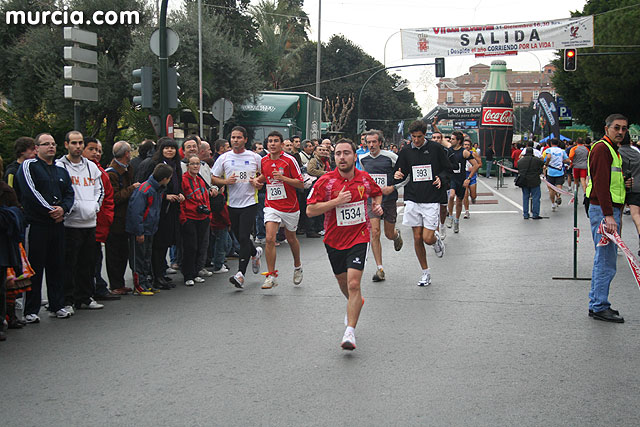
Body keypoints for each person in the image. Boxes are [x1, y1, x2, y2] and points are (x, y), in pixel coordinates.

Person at [307, 138, 383, 350]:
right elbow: (310, 210)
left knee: (354, 284)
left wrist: (376, 206)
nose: (342, 157)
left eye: (346, 153)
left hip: (359, 236)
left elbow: (377, 193)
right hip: (334, 239)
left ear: (354, 156)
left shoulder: (364, 179)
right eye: (338, 153)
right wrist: (336, 202)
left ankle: (349, 332)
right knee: (343, 283)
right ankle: (355, 302)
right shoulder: (325, 181)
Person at [16, 133, 75, 321]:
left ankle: (57, 305)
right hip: (37, 224)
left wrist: (63, 209)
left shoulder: (61, 170)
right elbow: (30, 192)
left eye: (53, 144)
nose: (50, 147)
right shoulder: (29, 166)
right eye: (45, 144)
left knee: (57, 265)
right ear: (36, 148)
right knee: (35, 266)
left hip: (57, 225)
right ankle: (31, 310)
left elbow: (69, 193)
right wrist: (50, 210)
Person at [393, 121, 451, 286]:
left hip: (431, 198)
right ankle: (425, 272)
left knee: (427, 238)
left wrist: (441, 178)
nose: (416, 140)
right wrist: (397, 175)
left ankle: (435, 240)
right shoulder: (405, 151)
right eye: (414, 137)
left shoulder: (436, 149)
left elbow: (448, 169)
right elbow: (399, 171)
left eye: (419, 137)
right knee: (417, 237)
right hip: (412, 197)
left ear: (425, 135)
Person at [586, 114, 629, 323]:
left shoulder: (611, 149)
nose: (620, 132)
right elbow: (601, 183)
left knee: (604, 259)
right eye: (616, 128)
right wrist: (609, 214)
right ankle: (599, 305)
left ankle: (598, 303)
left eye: (624, 128)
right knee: (605, 260)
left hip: (607, 209)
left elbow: (609, 181)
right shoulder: (603, 149)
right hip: (605, 211)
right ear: (607, 128)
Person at [56, 131, 105, 312]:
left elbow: (99, 190)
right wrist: (71, 208)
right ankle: (67, 300)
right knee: (69, 264)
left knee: (88, 262)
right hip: (70, 224)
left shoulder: (91, 167)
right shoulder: (60, 166)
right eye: (74, 143)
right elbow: (60, 191)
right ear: (66, 144)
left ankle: (85, 296)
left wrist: (94, 207)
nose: (78, 146)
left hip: (90, 222)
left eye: (80, 143)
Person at [211, 126, 264, 288]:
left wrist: (258, 182)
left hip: (250, 202)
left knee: (243, 237)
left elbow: (265, 174)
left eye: (239, 137)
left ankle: (240, 274)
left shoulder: (255, 157)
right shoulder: (224, 158)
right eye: (233, 137)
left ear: (245, 140)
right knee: (240, 236)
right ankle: (255, 253)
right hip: (232, 204)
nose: (235, 140)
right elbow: (213, 177)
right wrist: (225, 182)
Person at [256, 131, 304, 289]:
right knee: (270, 238)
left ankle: (297, 266)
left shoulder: (289, 160)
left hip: (290, 207)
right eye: (270, 141)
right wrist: (257, 181)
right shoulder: (264, 160)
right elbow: (265, 176)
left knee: (291, 238)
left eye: (276, 141)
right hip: (272, 205)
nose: (272, 144)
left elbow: (300, 183)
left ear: (282, 144)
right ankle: (271, 276)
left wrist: (283, 178)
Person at [359, 129, 403, 282]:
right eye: (368, 142)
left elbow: (405, 174)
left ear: (380, 142)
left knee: (388, 234)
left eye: (374, 142)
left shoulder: (391, 157)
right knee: (375, 232)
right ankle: (380, 269)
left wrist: (393, 187)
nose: (371, 145)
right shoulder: (363, 159)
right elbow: (364, 178)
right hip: (372, 200)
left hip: (389, 199)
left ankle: (396, 235)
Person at [125, 164, 173, 295]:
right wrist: (139, 232)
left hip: (150, 229)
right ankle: (138, 285)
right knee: (138, 258)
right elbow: (136, 213)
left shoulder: (157, 189)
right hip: (141, 230)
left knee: (147, 257)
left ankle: (146, 282)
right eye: (169, 178)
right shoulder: (145, 190)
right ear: (164, 178)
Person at [82, 138, 119, 301]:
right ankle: (88, 291)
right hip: (84, 223)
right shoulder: (80, 170)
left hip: (99, 223)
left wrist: (108, 218)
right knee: (87, 260)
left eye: (98, 150)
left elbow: (107, 197)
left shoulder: (100, 171)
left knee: (95, 258)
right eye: (91, 149)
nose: (96, 153)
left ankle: (96, 288)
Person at [148, 137, 184, 290]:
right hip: (159, 209)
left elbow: (178, 184)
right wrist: (165, 196)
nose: (170, 150)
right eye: (166, 148)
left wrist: (180, 193)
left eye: (172, 148)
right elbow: (149, 187)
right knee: (158, 244)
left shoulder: (176, 165)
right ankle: (156, 276)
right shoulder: (154, 165)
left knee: (165, 243)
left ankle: (161, 273)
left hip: (172, 210)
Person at [106, 141, 140, 295]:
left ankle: (120, 283)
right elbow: (114, 197)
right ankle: (115, 284)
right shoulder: (112, 173)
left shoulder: (127, 168)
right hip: (116, 220)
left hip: (125, 218)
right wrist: (132, 189)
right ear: (126, 153)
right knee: (114, 254)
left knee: (123, 253)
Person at [0, 155, 27, 339]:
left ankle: (4, 318)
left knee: (3, 285)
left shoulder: (5, 190)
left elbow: (17, 214)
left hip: (3, 246)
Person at [179, 156, 214, 286]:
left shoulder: (200, 180)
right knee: (190, 247)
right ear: (188, 165)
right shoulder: (183, 180)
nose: (195, 166)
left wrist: (208, 214)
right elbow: (181, 201)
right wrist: (183, 218)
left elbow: (206, 198)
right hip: (189, 217)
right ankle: (188, 275)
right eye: (192, 164)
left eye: (197, 164)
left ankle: (196, 272)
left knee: (200, 246)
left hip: (202, 218)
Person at [446, 131, 478, 233]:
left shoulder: (464, 152)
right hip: (452, 178)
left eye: (453, 139)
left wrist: (468, 178)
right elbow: (441, 139)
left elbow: (476, 165)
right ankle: (450, 216)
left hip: (461, 179)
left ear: (458, 141)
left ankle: (456, 220)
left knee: (459, 201)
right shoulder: (449, 150)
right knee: (451, 196)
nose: (451, 140)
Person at [618, 131, 640, 255]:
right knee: (636, 215)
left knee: (618, 215)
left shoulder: (618, 153)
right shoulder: (637, 152)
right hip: (637, 186)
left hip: (622, 187)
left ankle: (618, 243)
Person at [543, 138, 570, 212]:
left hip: (551, 172)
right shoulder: (562, 151)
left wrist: (546, 163)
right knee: (559, 186)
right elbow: (568, 160)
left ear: (551, 143)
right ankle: (558, 196)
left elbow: (548, 157)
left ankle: (553, 204)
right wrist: (561, 160)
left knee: (551, 188)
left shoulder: (549, 150)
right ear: (558, 144)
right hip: (559, 171)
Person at [517, 147, 544, 219]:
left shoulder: (520, 161)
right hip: (534, 180)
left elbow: (519, 169)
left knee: (525, 197)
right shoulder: (536, 160)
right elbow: (542, 164)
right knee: (536, 197)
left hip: (524, 181)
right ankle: (535, 214)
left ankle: (525, 214)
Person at [462, 139, 481, 219]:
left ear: (470, 146)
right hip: (464, 176)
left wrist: (473, 167)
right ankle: (467, 211)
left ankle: (473, 198)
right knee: (465, 195)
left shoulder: (473, 154)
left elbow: (480, 164)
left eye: (468, 145)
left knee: (473, 195)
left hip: (472, 176)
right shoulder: (461, 153)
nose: (466, 146)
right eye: (465, 144)